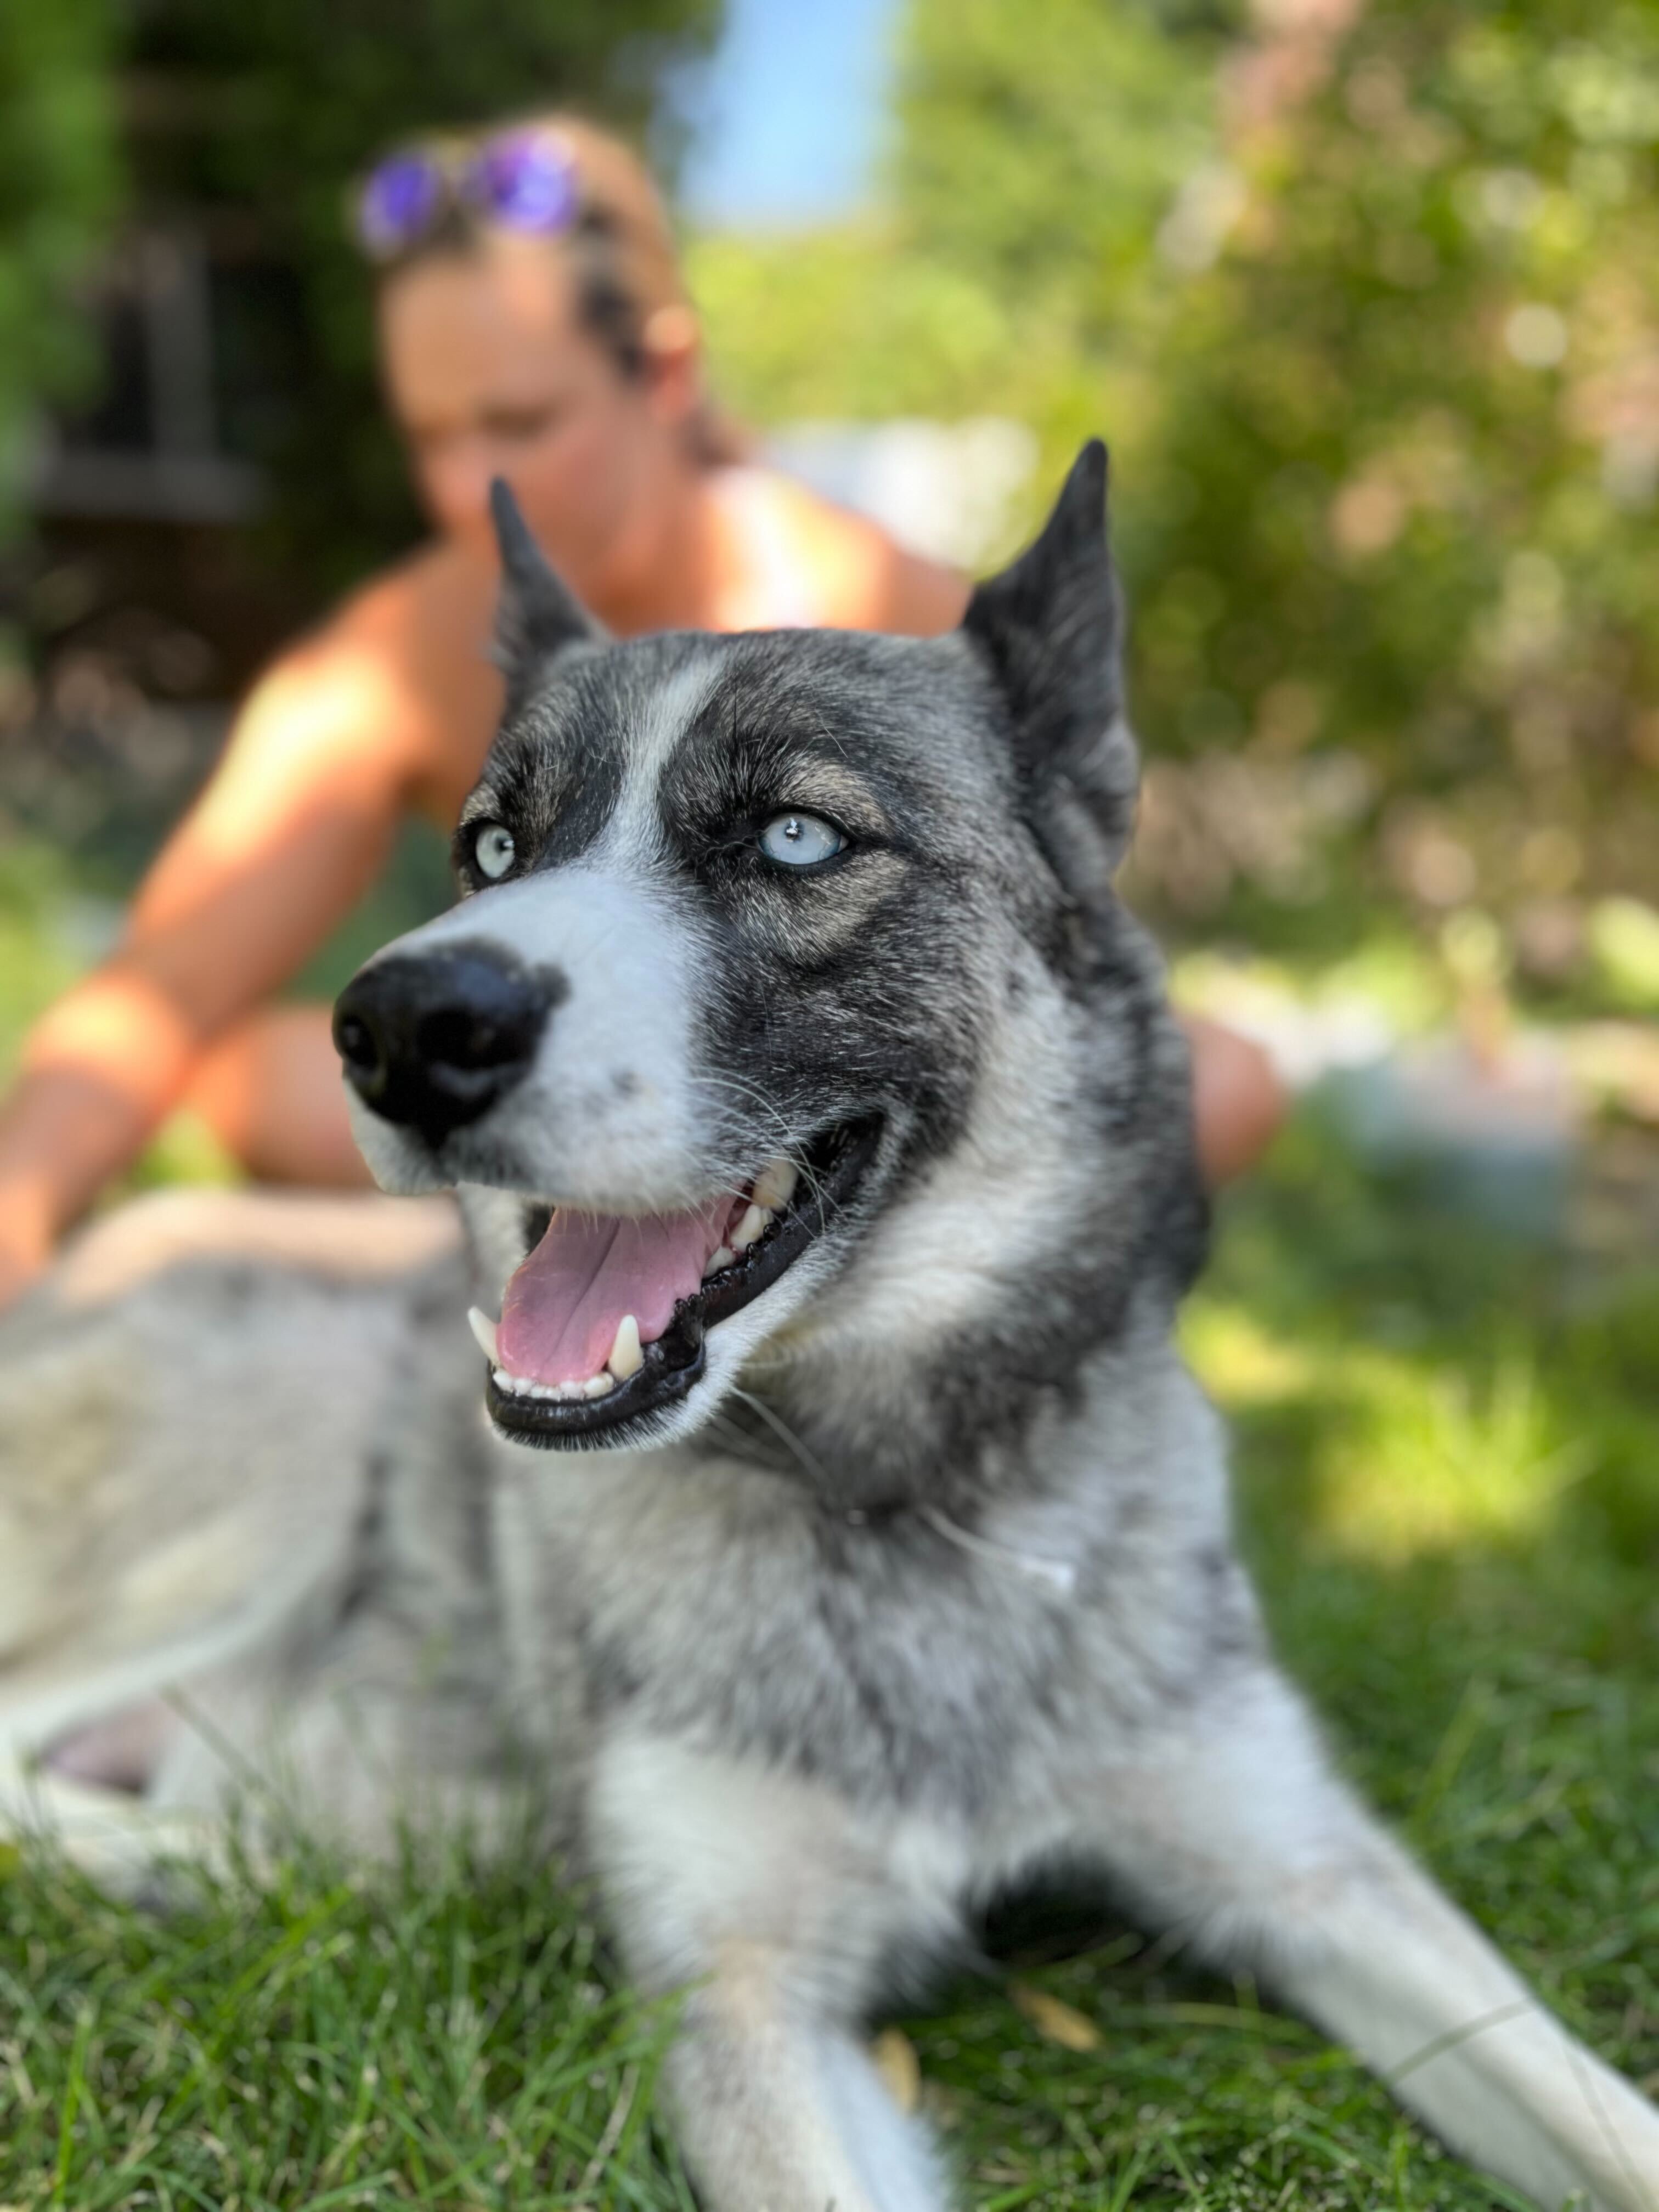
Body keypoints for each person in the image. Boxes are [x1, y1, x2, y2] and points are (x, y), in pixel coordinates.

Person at [0, 115, 1283, 1307]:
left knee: (1214, 1081)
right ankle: (537, 1251)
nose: (465, 487)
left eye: (520, 419)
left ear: (662, 375)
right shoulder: (394, 656)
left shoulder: (884, 621)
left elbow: (1043, 973)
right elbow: (163, 986)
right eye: (430, 434)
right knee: (251, 1074)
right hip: (542, 1059)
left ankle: (761, 1266)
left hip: (777, 1067)